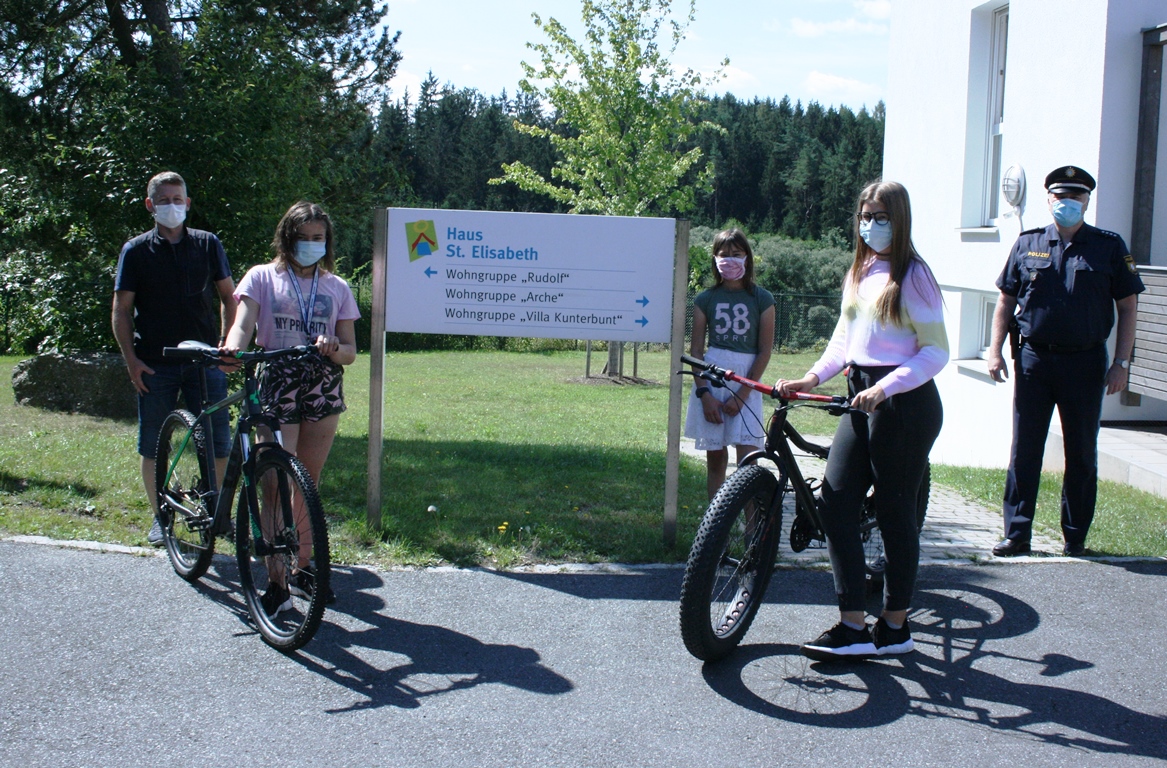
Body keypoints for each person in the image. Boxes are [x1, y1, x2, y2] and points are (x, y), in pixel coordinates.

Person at [777, 181, 947, 661]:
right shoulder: (861, 270)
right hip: (861, 397)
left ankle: (894, 628)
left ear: (901, 219)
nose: (871, 225)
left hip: (905, 404)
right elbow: (843, 340)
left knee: (896, 514)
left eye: (881, 216)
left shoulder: (914, 277)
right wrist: (809, 376)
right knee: (835, 504)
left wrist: (886, 386)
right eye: (865, 215)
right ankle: (853, 624)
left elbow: (937, 352)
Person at [987, 166, 1144, 558]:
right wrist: (993, 350)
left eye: (1076, 198)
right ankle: (1017, 534)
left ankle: (1075, 538)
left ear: (1087, 201)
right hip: (1034, 360)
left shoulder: (1108, 247)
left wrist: (1122, 363)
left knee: (1081, 453)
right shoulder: (1028, 244)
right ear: (1049, 200)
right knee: (1025, 450)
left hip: (1086, 364)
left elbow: (1128, 306)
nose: (1068, 204)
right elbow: (1006, 300)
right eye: (1061, 197)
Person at [223, 201, 359, 614]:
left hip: (321, 384)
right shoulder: (262, 277)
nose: (312, 244)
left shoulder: (337, 286)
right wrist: (233, 348)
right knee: (275, 482)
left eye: (319, 238)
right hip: (277, 380)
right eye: (304, 237)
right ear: (287, 237)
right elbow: (243, 323)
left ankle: (301, 568)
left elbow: (351, 350)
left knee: (307, 481)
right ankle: (276, 578)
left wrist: (336, 349)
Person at [112, 171, 237, 546]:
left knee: (218, 443)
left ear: (188, 203)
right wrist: (131, 360)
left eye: (178, 199)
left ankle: (219, 515)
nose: (172, 206)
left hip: (204, 362)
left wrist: (225, 344)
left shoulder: (207, 243)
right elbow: (121, 310)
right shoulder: (135, 251)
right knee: (153, 444)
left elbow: (229, 298)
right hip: (154, 363)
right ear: (150, 205)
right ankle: (160, 518)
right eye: (164, 200)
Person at [684, 229, 776, 499]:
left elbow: (764, 351)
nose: (730, 260)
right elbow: (696, 351)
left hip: (746, 381)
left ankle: (752, 532)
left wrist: (744, 394)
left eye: (736, 254)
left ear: (747, 257)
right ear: (714, 259)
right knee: (715, 458)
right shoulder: (705, 299)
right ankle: (717, 530)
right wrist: (705, 395)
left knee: (748, 462)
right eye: (724, 255)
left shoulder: (762, 298)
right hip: (713, 377)